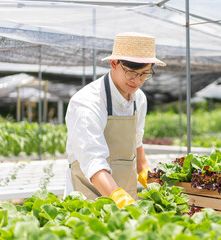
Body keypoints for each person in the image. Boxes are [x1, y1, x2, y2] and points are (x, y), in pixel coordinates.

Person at [64, 32, 166, 208]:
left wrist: (152, 182)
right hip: (89, 196)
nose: (137, 81)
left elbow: (136, 143)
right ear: (114, 63)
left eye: (144, 74)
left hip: (125, 194)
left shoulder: (139, 99)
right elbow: (93, 162)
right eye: (131, 73)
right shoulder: (87, 102)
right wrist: (118, 198)